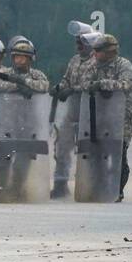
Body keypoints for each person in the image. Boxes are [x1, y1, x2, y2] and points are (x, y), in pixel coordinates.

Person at [81, 34, 132, 201]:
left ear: (109, 51)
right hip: (99, 115)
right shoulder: (92, 65)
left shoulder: (123, 64)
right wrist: (94, 86)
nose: (94, 53)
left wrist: (103, 84)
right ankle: (98, 186)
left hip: (121, 117)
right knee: (96, 153)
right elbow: (84, 83)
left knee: (119, 153)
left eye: (98, 50)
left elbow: (126, 84)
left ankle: (117, 189)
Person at [49, 21, 96, 198]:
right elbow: (66, 79)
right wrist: (59, 88)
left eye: (81, 42)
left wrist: (73, 89)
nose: (78, 46)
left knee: (88, 150)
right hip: (72, 111)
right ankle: (60, 185)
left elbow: (90, 84)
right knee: (62, 146)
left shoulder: (95, 61)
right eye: (77, 42)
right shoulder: (74, 60)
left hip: (89, 112)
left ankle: (90, 185)